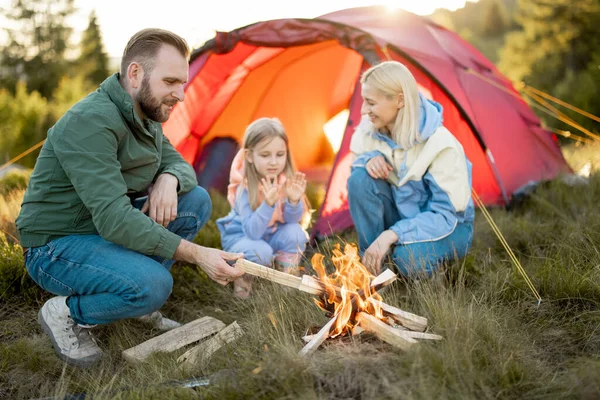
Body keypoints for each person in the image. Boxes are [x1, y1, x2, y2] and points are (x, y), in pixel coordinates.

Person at [15, 28, 244, 367]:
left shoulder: (145, 115)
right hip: (56, 245)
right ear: (135, 74)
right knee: (155, 284)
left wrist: (168, 177)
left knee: (194, 200)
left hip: (100, 229)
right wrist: (198, 255)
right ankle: (65, 312)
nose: (180, 94)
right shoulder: (91, 120)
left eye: (182, 82)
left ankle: (134, 296)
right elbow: (115, 219)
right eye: (171, 82)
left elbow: (181, 165)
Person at [347, 61, 474, 277]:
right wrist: (369, 159)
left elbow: (445, 216)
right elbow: (356, 166)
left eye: (370, 103)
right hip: (401, 214)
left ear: (399, 100)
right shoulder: (369, 130)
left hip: (449, 226)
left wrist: (391, 235)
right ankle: (372, 266)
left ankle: (429, 272)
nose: (363, 110)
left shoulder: (441, 145)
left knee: (409, 260)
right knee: (360, 179)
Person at [217, 118, 311, 298]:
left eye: (280, 154)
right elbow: (252, 232)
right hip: (242, 239)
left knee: (296, 233)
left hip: (270, 234)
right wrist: (268, 205)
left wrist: (293, 201)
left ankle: (286, 282)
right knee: (262, 252)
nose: (274, 162)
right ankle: (242, 284)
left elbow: (292, 222)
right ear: (250, 156)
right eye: (265, 155)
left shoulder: (283, 180)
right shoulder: (244, 188)